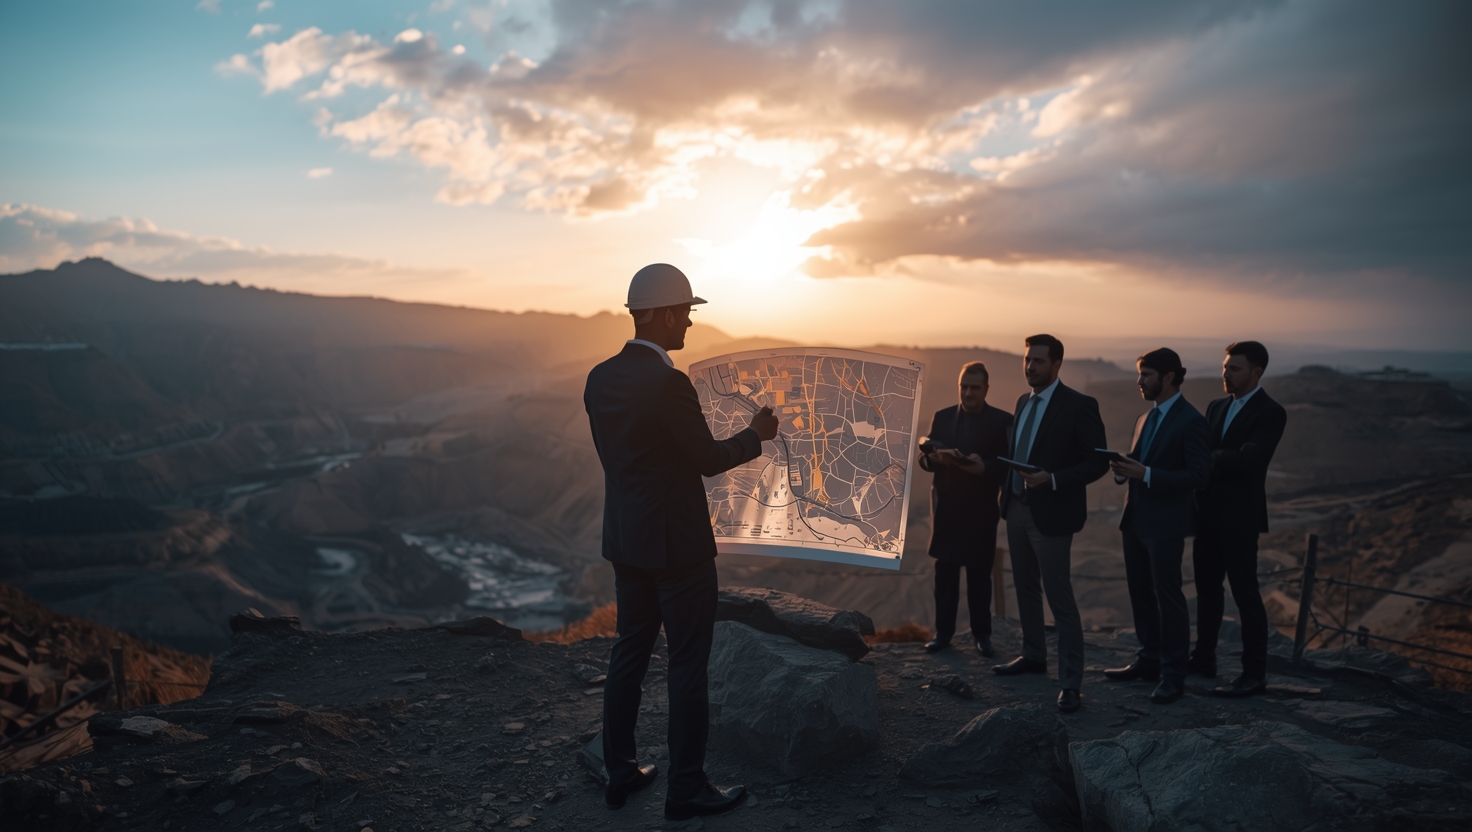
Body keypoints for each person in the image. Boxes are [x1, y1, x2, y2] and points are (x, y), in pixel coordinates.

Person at [583, 263, 779, 821]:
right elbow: (707, 459)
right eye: (687, 313)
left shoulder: (599, 377)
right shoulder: (670, 383)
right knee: (687, 665)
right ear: (667, 315)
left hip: (627, 542)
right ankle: (686, 788)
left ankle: (619, 773)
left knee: (629, 654)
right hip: (680, 550)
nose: (690, 324)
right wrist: (756, 435)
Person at [993, 334, 1109, 714]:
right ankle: (1033, 655)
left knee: (1060, 599)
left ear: (1056, 365)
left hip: (1052, 514)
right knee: (1025, 587)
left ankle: (1071, 683)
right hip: (1016, 509)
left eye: (1038, 361)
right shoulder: (1022, 402)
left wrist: (1054, 479)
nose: (1030, 367)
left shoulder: (1079, 405)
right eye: (1027, 360)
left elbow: (1097, 462)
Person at [1103, 348, 1210, 705]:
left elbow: (1199, 475)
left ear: (1169, 377)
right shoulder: (1143, 418)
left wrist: (1146, 474)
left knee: (1168, 597)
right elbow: (1140, 463)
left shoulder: (1191, 420)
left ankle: (1173, 675)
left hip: (1166, 524)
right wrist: (1123, 470)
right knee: (1140, 593)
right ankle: (1148, 660)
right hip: (1135, 519)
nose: (1139, 381)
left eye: (1146, 375)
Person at [1192, 341, 1288, 697]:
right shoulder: (1216, 406)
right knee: (1207, 591)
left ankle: (1254, 673)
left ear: (1256, 372)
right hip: (1206, 515)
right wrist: (1219, 457)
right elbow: (1208, 454)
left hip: (1240, 519)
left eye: (1234, 368)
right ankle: (1203, 659)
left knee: (1245, 595)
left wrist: (1212, 457)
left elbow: (1249, 461)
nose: (1225, 373)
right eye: (1225, 367)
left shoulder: (1271, 412)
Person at [917, 362, 1012, 656]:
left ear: (986, 389)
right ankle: (943, 633)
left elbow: (1007, 467)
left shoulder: (1002, 421)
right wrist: (934, 459)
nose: (968, 392)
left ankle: (982, 635)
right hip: (946, 511)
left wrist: (984, 467)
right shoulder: (942, 416)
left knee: (979, 576)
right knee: (945, 575)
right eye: (964, 387)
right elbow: (925, 460)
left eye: (975, 388)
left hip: (981, 513)